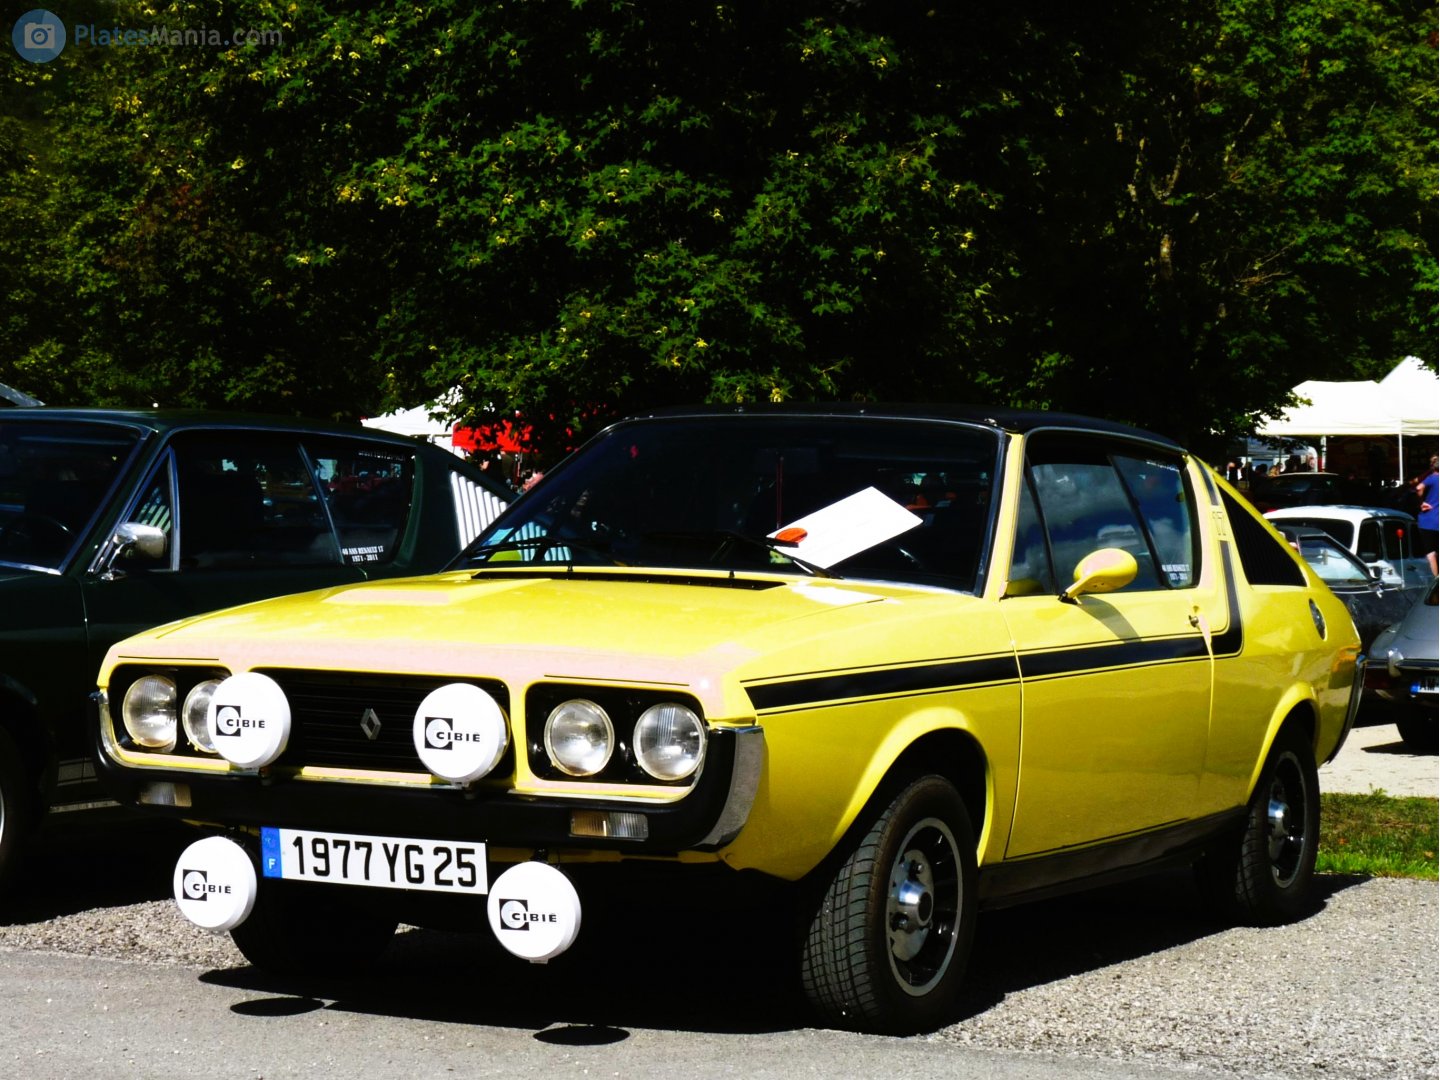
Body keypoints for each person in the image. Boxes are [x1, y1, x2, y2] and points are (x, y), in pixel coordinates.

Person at [1416, 454, 1439, 576]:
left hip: (1429, 521)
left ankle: (1436, 584)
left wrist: (1421, 502)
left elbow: (1419, 487)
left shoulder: (1433, 478)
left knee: (1431, 554)